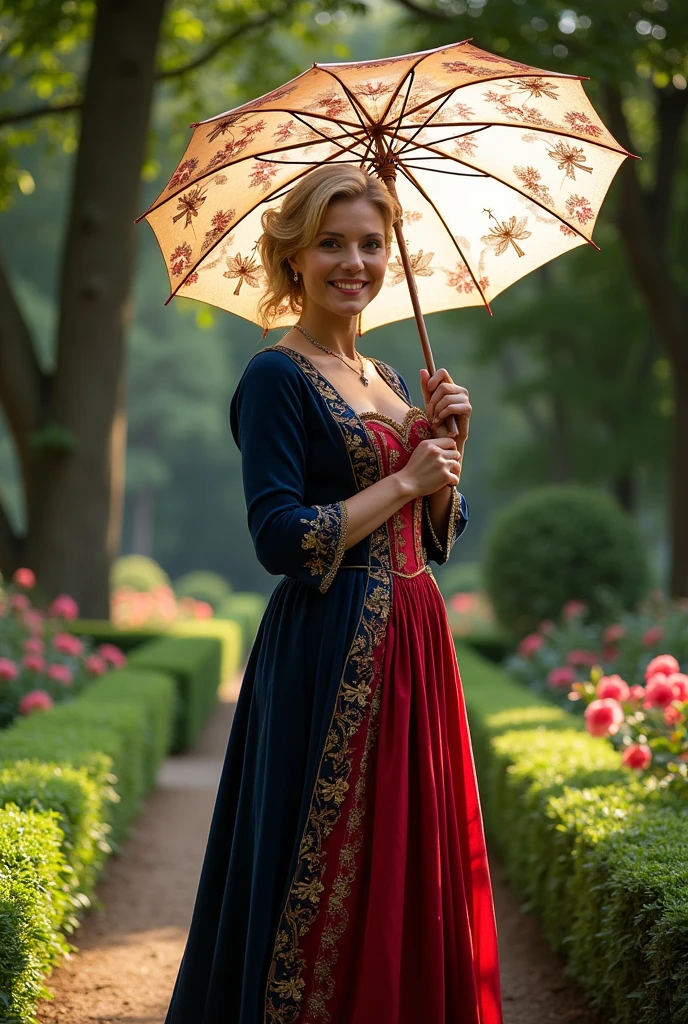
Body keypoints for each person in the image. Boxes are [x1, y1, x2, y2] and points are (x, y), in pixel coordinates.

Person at [164, 164, 503, 1024]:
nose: (354, 262)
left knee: (408, 862)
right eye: (331, 243)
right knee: (328, 872)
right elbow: (278, 536)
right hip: (329, 648)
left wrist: (444, 453)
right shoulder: (275, 377)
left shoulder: (392, 374)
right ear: (293, 258)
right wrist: (403, 479)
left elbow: (434, 535)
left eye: (370, 244)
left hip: (417, 643)